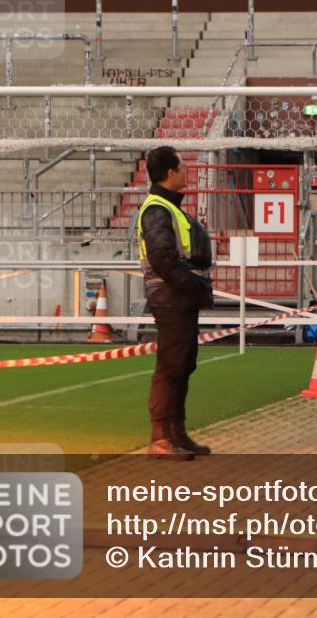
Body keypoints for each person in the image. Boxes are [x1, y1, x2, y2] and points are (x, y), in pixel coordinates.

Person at [138, 146, 214, 460]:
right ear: (170, 172)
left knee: (182, 365)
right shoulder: (158, 210)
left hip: (178, 297)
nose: (187, 170)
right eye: (183, 166)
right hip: (171, 298)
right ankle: (161, 437)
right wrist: (191, 285)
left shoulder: (166, 207)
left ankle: (176, 433)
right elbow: (163, 258)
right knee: (171, 368)